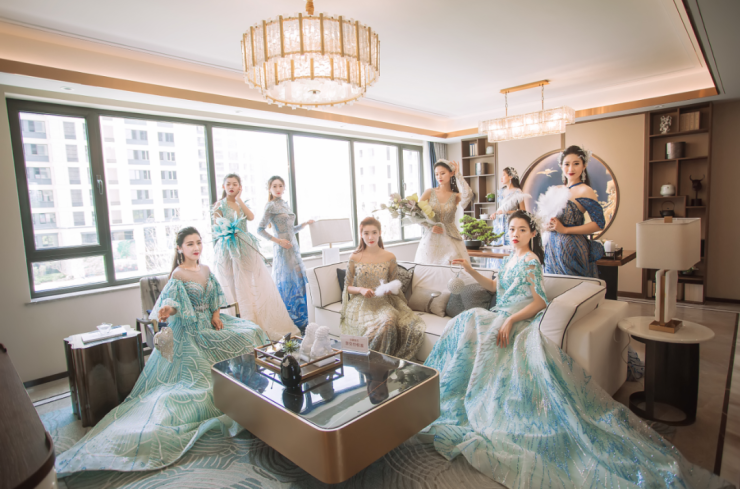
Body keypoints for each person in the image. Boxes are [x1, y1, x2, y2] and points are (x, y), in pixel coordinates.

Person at [422, 211, 725, 488]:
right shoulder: (509, 258)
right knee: (467, 321)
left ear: (532, 234)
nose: (515, 234)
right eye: (512, 229)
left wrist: (511, 320)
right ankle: (445, 389)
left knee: (474, 322)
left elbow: (539, 302)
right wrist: (469, 268)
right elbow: (493, 288)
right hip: (501, 315)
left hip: (518, 319)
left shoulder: (531, 261)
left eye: (522, 229)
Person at [55, 227, 269, 476]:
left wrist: (216, 315)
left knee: (251, 331)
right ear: (180, 248)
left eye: (198, 242)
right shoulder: (178, 274)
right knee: (196, 383)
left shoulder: (206, 269)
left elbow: (215, 299)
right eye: (190, 244)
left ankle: (247, 382)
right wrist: (168, 311)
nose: (196, 248)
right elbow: (174, 304)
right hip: (191, 328)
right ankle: (226, 385)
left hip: (211, 323)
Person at [212, 174, 299, 340]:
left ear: (240, 187)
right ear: (223, 187)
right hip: (228, 248)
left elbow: (251, 217)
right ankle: (238, 323)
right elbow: (218, 227)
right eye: (228, 184)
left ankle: (253, 322)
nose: (231, 187)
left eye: (235, 184)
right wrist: (228, 231)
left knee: (247, 284)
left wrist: (239, 200)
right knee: (231, 285)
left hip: (244, 246)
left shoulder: (240, 203)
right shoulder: (219, 205)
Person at [340, 217, 425, 360]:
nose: (370, 237)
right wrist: (361, 290)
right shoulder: (354, 257)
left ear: (380, 233)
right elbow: (347, 287)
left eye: (374, 232)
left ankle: (379, 362)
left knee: (389, 320)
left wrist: (389, 289)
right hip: (362, 304)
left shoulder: (389, 257)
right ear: (361, 235)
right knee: (372, 329)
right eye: (366, 233)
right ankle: (362, 360)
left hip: (383, 302)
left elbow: (395, 284)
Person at [257, 176, 314, 331]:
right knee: (287, 281)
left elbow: (291, 230)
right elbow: (260, 229)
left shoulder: (285, 204)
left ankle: (303, 317)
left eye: (280, 186)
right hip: (282, 249)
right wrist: (279, 241)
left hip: (294, 247)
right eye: (274, 186)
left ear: (284, 188)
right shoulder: (270, 206)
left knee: (299, 279)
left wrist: (304, 224)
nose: (278, 189)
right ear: (269, 189)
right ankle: (290, 318)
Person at [539, 145, 605, 278]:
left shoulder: (585, 190)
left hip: (572, 250)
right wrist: (546, 226)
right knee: (553, 287)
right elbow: (543, 219)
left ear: (584, 165)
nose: (571, 169)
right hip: (551, 249)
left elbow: (599, 224)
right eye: (567, 164)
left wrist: (565, 230)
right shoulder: (556, 189)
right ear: (561, 165)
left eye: (576, 164)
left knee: (574, 288)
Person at [414, 160, 473, 265]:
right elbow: (415, 214)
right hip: (431, 239)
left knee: (453, 269)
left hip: (451, 238)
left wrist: (458, 175)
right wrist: (429, 226)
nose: (439, 177)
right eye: (436, 174)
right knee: (430, 270)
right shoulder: (429, 192)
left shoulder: (456, 196)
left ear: (451, 173)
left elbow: (468, 194)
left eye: (442, 173)